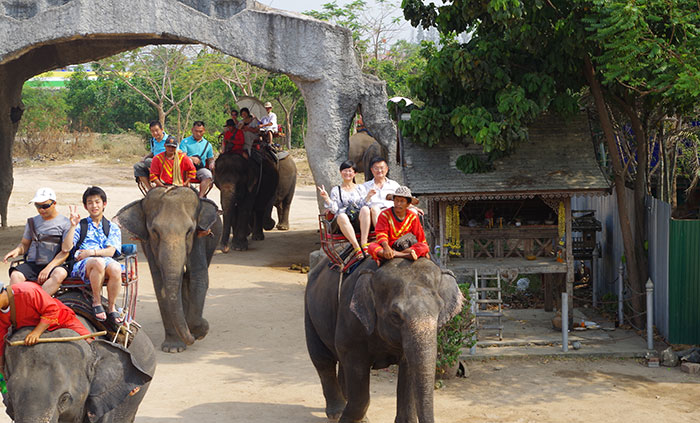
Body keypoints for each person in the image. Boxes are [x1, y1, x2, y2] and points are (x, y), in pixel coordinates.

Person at [0, 281, 92, 370]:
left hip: (61, 320)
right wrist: (1, 366)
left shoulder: (27, 291)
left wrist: (36, 333)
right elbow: (1, 336)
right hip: (30, 327)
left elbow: (52, 310)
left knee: (90, 342)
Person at [67, 187, 123, 323]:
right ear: (86, 206)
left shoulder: (112, 227)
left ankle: (111, 307)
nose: (94, 206)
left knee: (116, 268)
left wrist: (91, 253)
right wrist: (72, 226)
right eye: (90, 203)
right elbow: (67, 247)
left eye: (97, 202)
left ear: (104, 204)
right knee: (98, 262)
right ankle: (96, 302)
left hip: (102, 259)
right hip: (84, 264)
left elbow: (111, 251)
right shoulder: (81, 225)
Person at [2, 188, 72, 295]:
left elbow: (65, 252)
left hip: (54, 264)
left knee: (60, 274)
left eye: (45, 206)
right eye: (38, 206)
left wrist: (48, 268)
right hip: (33, 263)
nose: (41, 210)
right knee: (16, 275)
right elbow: (25, 244)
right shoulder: (32, 222)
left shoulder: (65, 223)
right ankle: (21, 306)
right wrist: (17, 251)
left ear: (54, 203)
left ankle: (38, 302)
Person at [317, 160, 371, 261]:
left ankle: (364, 243)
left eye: (350, 171)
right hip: (343, 222)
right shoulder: (336, 190)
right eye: (345, 170)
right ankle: (356, 246)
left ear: (355, 173)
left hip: (357, 220)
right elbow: (335, 210)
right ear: (341, 172)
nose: (347, 173)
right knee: (341, 215)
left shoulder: (360, 188)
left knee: (365, 209)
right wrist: (326, 198)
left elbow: (363, 205)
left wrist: (368, 197)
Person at [367, 186, 430, 263]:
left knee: (424, 247)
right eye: (396, 200)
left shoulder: (413, 216)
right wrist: (386, 247)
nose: (398, 204)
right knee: (371, 247)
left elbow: (420, 235)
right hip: (388, 246)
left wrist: (426, 251)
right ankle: (405, 255)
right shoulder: (384, 215)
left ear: (408, 204)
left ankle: (395, 254)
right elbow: (381, 233)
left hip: (406, 247)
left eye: (402, 201)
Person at [362, 156, 401, 229]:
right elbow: (361, 206)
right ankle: (381, 236)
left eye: (382, 168)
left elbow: (403, 198)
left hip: (393, 212)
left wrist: (412, 206)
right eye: (376, 168)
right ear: (372, 170)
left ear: (386, 169)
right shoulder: (365, 186)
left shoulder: (394, 184)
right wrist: (368, 197)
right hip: (375, 214)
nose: (379, 171)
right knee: (375, 209)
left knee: (412, 211)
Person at [179, 121, 215, 197]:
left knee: (208, 175)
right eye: (196, 131)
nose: (198, 133)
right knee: (188, 160)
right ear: (192, 130)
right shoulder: (185, 142)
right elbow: (181, 156)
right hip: (186, 170)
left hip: (199, 169)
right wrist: (191, 158)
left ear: (204, 131)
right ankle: (186, 188)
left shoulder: (208, 145)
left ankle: (200, 197)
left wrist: (212, 163)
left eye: (200, 131)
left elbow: (210, 158)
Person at [133, 121, 169, 192]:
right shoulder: (152, 141)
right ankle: (150, 189)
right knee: (137, 166)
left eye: (157, 130)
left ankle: (157, 182)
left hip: (167, 163)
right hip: (155, 163)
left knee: (148, 161)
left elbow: (177, 153)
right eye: (152, 131)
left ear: (162, 130)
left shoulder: (169, 139)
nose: (155, 133)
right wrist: (144, 157)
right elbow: (153, 152)